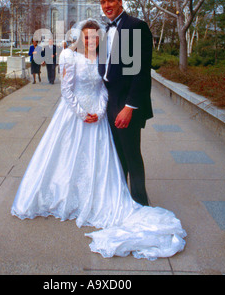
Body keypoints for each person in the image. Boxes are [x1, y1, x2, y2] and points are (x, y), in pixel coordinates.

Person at [11, 19, 186, 260]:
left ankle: (115, 197)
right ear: (79, 38)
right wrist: (82, 113)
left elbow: (106, 88)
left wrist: (101, 110)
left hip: (99, 115)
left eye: (95, 37)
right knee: (66, 158)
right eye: (86, 37)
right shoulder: (69, 57)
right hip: (74, 114)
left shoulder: (103, 59)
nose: (91, 40)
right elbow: (66, 91)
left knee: (100, 160)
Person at [98, 0, 153, 206]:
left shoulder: (136, 27)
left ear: (120, 1)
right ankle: (122, 201)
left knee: (131, 154)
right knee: (117, 155)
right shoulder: (103, 30)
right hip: (110, 100)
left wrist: (129, 107)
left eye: (110, 0)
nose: (107, 5)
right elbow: (104, 67)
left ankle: (140, 203)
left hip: (127, 102)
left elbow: (140, 73)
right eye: (102, 2)